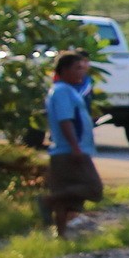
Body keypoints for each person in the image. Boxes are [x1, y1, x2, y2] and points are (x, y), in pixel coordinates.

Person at [43, 51, 103, 235]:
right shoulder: (61, 91)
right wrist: (75, 147)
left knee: (68, 201)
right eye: (77, 68)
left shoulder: (67, 90)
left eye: (83, 68)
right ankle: (48, 201)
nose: (82, 72)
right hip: (70, 150)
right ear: (65, 70)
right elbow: (65, 120)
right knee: (94, 188)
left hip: (68, 150)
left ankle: (60, 235)